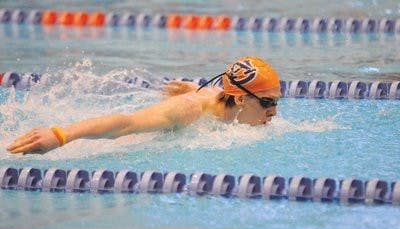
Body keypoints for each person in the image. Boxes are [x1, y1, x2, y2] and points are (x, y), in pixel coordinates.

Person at [7, 55, 280, 155]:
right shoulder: (188, 110)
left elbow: (216, 91)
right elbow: (125, 124)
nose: (274, 111)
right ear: (241, 98)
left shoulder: (226, 100)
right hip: (114, 147)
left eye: (276, 102)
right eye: (268, 102)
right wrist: (60, 135)